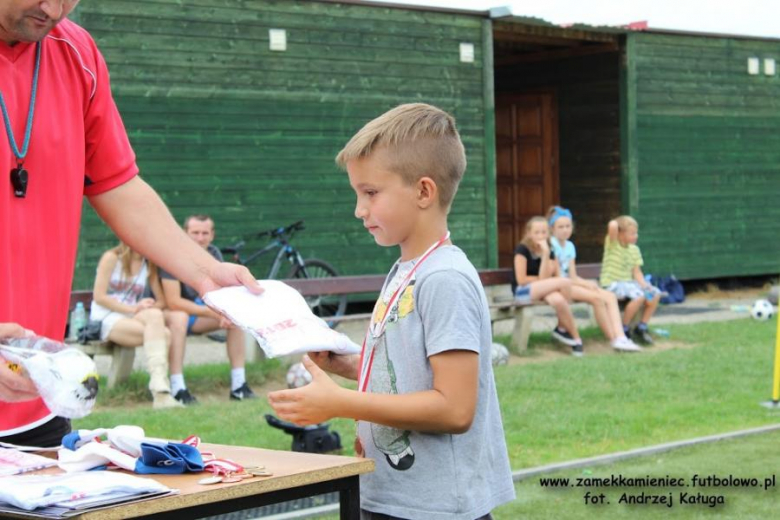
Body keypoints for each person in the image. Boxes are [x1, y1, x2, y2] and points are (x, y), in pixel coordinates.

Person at [0, 1, 259, 447]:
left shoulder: (76, 52)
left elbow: (116, 185)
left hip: (38, 398)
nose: (54, 9)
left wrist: (203, 271)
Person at [268, 103, 515, 520]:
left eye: (370, 193)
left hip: (436, 510)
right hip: (391, 498)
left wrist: (342, 403)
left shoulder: (445, 279)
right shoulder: (407, 270)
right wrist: (350, 365)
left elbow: (454, 408)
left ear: (423, 191)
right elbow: (413, 369)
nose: (359, 209)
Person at [160, 215, 256, 404]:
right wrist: (213, 312)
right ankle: (178, 388)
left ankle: (239, 386)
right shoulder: (171, 256)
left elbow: (223, 294)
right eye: (195, 232)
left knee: (235, 317)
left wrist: (225, 312)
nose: (200, 237)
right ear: (185, 234)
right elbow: (173, 302)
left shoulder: (214, 254)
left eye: (205, 233)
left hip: (198, 315)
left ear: (212, 235)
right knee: (179, 317)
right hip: (170, 315)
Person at [90, 242, 189, 409]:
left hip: (131, 315)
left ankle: (160, 390)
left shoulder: (147, 264)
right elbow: (99, 297)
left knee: (155, 314)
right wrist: (133, 308)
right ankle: (161, 391)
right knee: (164, 334)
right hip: (105, 317)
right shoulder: (112, 258)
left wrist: (144, 305)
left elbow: (162, 301)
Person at [547, 206, 642, 353]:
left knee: (609, 296)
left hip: (570, 283)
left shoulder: (570, 246)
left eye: (568, 226)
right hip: (558, 286)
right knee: (596, 299)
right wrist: (583, 284)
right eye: (560, 227)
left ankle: (621, 336)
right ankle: (613, 339)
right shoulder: (551, 245)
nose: (565, 230)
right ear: (552, 229)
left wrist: (587, 283)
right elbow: (558, 277)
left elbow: (572, 275)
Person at [513, 216, 584, 356]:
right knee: (566, 282)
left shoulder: (550, 249)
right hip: (523, 291)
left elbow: (548, 278)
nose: (541, 236)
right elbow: (521, 279)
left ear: (548, 233)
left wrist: (545, 254)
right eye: (537, 232)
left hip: (543, 289)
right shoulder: (522, 249)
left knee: (558, 300)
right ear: (528, 233)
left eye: (544, 232)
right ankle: (576, 337)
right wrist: (541, 279)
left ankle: (563, 331)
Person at [599, 216, 662, 345]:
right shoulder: (612, 243)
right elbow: (612, 225)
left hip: (628, 284)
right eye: (632, 233)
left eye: (636, 233)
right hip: (612, 283)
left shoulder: (635, 250)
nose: (636, 236)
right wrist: (618, 223)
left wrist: (645, 286)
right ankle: (624, 328)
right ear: (620, 233)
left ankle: (641, 327)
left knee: (654, 294)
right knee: (639, 296)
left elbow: (637, 273)